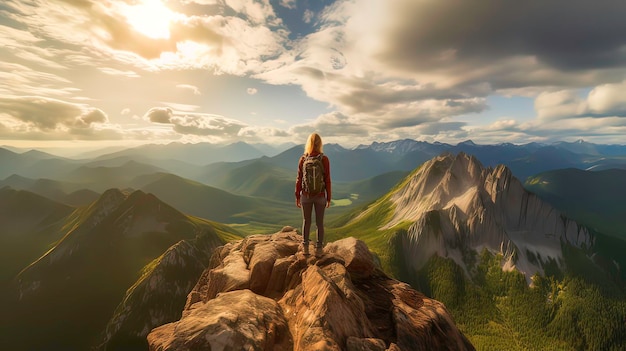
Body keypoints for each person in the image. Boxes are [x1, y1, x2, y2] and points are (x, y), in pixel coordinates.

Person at [295, 132, 331, 256]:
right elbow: (327, 179)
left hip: (306, 196)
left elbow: (299, 179)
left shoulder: (303, 159)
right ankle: (319, 249)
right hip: (320, 196)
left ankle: (305, 247)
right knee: (319, 223)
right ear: (320, 144)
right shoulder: (324, 159)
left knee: (306, 221)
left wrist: (297, 196)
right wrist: (329, 197)